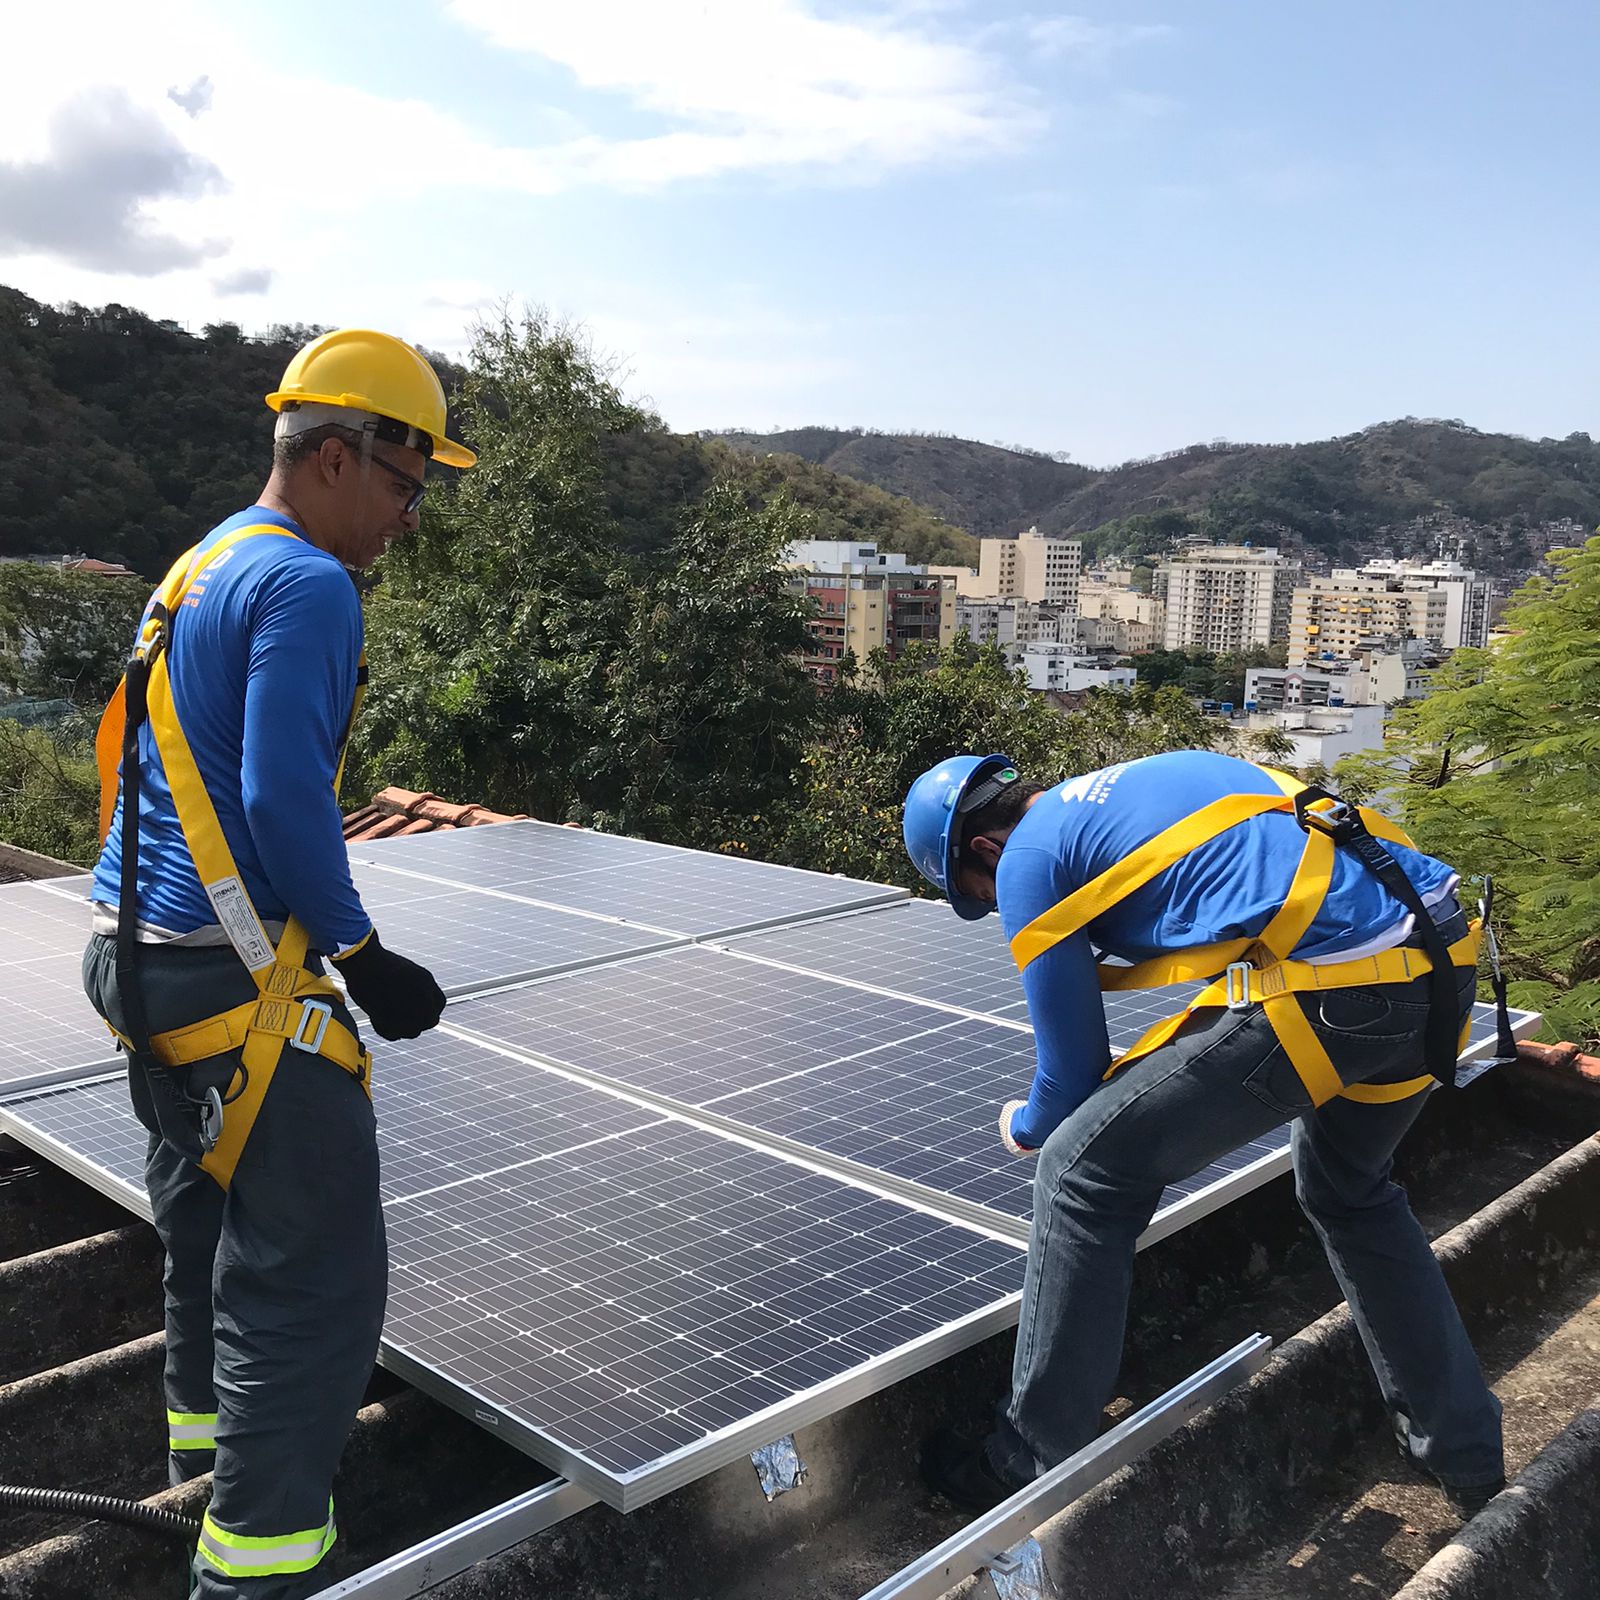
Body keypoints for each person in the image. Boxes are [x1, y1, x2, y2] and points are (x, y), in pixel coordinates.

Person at [83, 329, 474, 1598]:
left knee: (203, 1228)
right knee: (311, 1287)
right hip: (225, 975)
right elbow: (282, 796)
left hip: (132, 961)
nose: (409, 517)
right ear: (330, 457)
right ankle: (255, 1567)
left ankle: (198, 1469)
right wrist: (361, 953)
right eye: (403, 485)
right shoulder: (308, 584)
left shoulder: (200, 564)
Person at [901, 749, 1505, 1520]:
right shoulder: (1141, 784)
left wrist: (1023, 1126)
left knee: (1080, 1174)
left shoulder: (1026, 858)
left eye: (979, 896)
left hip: (1345, 989)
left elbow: (1070, 1075)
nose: (996, 905)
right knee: (1350, 1193)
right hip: (1444, 962)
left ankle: (1031, 1458)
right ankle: (1466, 1458)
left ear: (983, 851)